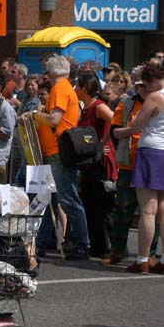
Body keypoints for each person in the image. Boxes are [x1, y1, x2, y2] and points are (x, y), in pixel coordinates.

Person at [21, 54, 90, 260]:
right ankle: (45, 240)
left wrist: (34, 115)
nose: (45, 76)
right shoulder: (64, 88)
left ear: (52, 72)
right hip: (53, 151)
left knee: (67, 199)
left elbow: (54, 120)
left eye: (46, 72)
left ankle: (81, 243)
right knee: (47, 198)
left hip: (57, 151)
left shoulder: (60, 88)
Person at [103, 80, 160, 268]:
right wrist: (123, 132)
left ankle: (148, 255)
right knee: (123, 210)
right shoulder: (127, 103)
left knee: (152, 212)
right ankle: (117, 252)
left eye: (147, 86)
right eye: (141, 86)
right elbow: (114, 129)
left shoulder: (157, 100)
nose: (145, 90)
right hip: (129, 163)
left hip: (150, 161)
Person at [121, 62, 164, 273]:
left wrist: (116, 134)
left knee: (148, 210)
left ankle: (142, 260)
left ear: (151, 80)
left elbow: (136, 126)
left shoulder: (155, 97)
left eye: (146, 84)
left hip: (151, 151)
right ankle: (162, 259)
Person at [75, 71, 116, 258]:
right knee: (90, 205)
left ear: (84, 88)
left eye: (77, 86)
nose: (75, 89)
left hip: (101, 162)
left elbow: (115, 120)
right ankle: (98, 247)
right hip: (89, 163)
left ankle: (111, 247)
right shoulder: (85, 107)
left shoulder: (99, 107)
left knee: (103, 207)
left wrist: (105, 143)